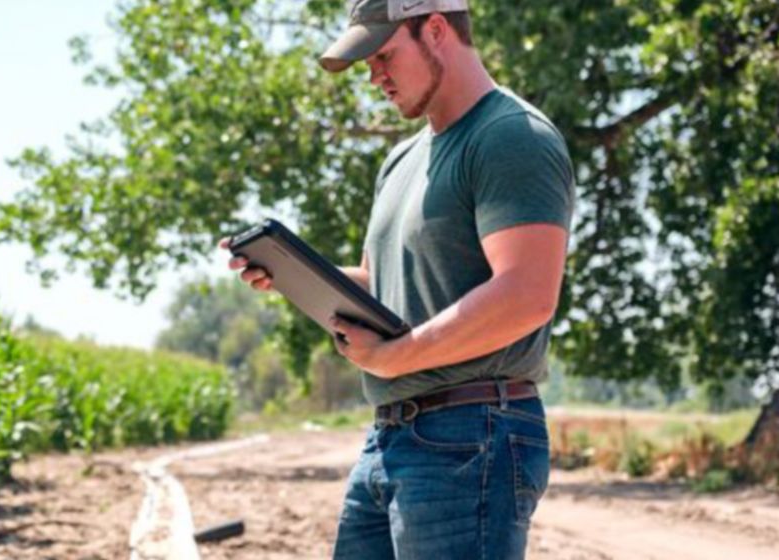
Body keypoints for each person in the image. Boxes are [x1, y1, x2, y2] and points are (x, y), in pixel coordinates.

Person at [219, 0, 573, 557]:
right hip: (390, 434)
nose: (374, 76)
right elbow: (381, 282)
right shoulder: (401, 160)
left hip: (473, 434)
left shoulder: (512, 136)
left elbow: (526, 295)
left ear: (436, 30)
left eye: (383, 55)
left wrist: (396, 356)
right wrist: (293, 273)